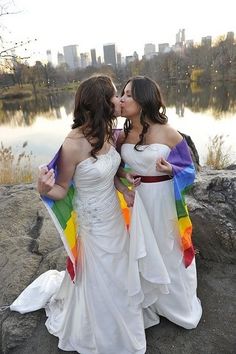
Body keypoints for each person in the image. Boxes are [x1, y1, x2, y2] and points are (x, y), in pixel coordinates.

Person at [10, 75, 146, 354]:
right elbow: (61, 189)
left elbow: (111, 175)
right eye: (114, 96)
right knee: (99, 277)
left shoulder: (109, 132)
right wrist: (43, 188)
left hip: (113, 218)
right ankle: (100, 330)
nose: (118, 99)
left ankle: (122, 320)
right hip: (92, 225)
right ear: (101, 102)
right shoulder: (72, 144)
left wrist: (125, 188)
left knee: (120, 272)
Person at [116, 75, 202, 330]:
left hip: (164, 200)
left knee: (167, 247)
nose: (123, 98)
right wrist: (124, 175)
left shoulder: (168, 132)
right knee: (140, 249)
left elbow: (189, 170)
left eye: (129, 94)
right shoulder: (121, 135)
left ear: (144, 99)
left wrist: (171, 169)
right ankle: (148, 301)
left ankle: (175, 304)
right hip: (137, 199)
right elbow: (115, 168)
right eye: (123, 93)